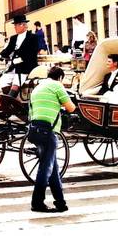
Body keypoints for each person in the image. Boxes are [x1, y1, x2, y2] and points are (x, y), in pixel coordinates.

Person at [28, 65, 77, 213]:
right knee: (46, 168)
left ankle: (60, 202)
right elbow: (71, 108)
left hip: (34, 130)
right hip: (48, 131)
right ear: (60, 77)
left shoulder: (37, 88)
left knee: (53, 168)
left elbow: (30, 111)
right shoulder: (57, 86)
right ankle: (37, 202)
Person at [0, 15, 39, 97]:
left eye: (16, 25)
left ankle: (10, 101)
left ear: (23, 25)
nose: (14, 27)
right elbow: (8, 50)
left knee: (17, 81)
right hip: (14, 67)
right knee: (4, 80)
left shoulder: (32, 37)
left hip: (26, 67)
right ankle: (8, 99)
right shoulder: (13, 38)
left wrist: (21, 59)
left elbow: (33, 52)